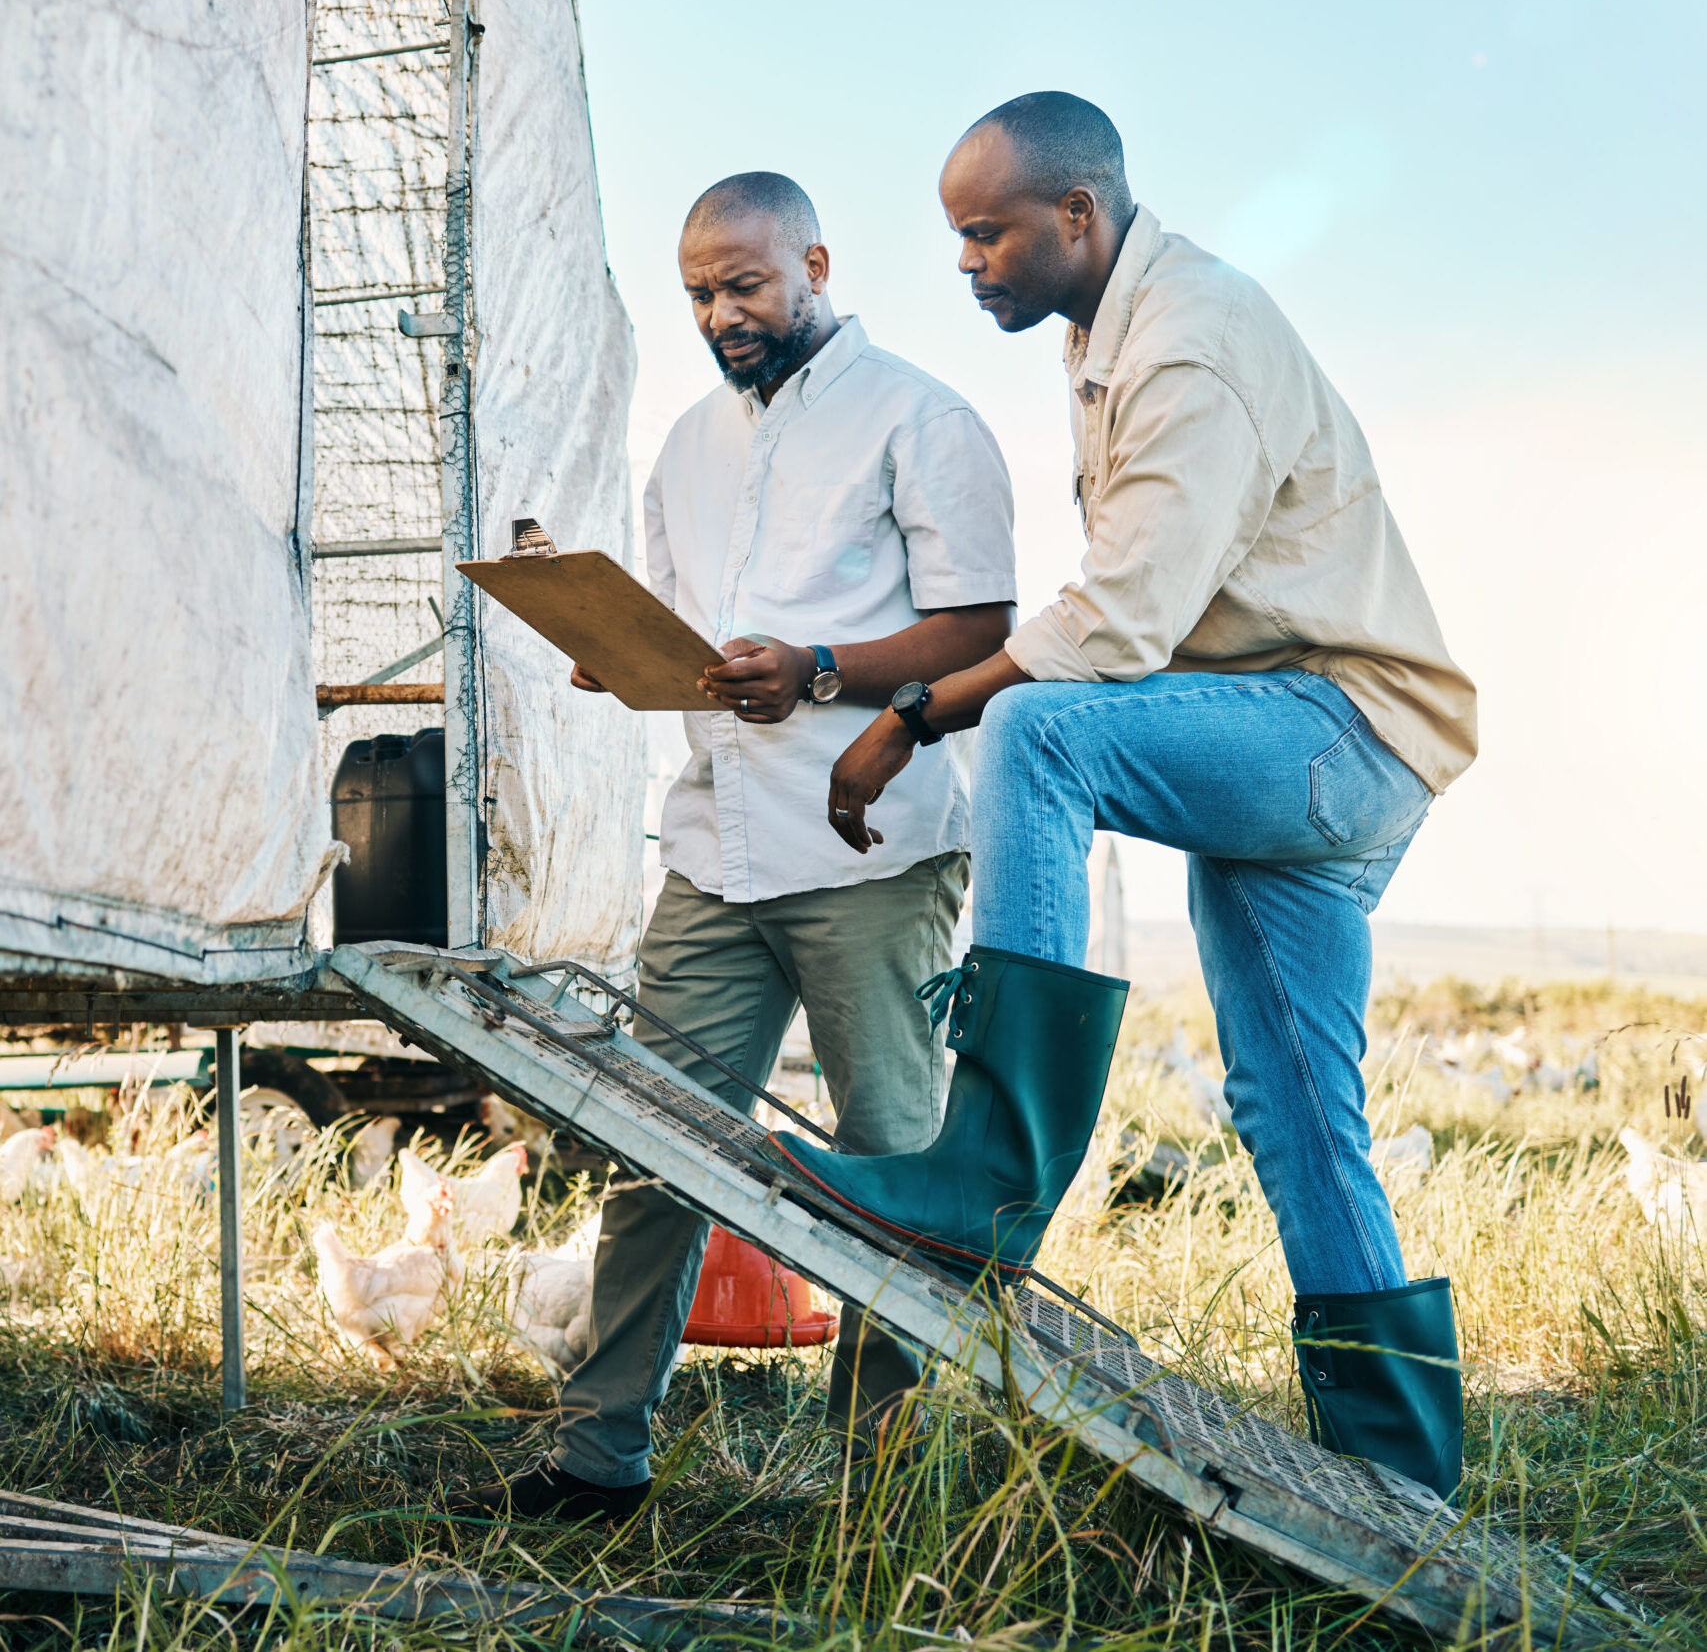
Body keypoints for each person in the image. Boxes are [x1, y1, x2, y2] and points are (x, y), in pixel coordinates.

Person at [769, 96, 1477, 1503]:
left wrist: (910, 715)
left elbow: (1120, 622)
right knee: (1293, 1103)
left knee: (1040, 730)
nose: (966, 262)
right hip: (1286, 732)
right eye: (958, 236)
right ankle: (1402, 1472)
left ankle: (988, 1172)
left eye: (988, 233)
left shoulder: (1188, 341)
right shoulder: (1110, 329)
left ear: (1078, 214)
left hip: (1333, 732)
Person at [462, 172, 1018, 1524]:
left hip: (871, 851)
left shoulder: (922, 417)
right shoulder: (687, 448)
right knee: (654, 1144)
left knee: (891, 1167)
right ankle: (600, 1461)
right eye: (700, 293)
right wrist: (621, 654)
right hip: (714, 849)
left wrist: (817, 667)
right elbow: (690, 636)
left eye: (746, 285)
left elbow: (982, 630)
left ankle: (880, 1491)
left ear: (815, 265)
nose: (722, 314)